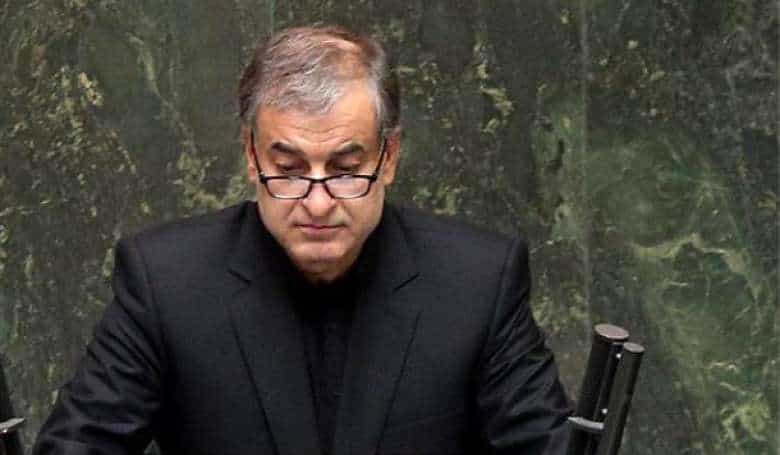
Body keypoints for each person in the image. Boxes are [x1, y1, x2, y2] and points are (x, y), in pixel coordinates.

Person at [33, 25, 571, 454]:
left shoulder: (479, 281)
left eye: (345, 169)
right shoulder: (165, 282)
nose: (316, 203)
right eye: (288, 170)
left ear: (389, 158)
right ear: (251, 156)